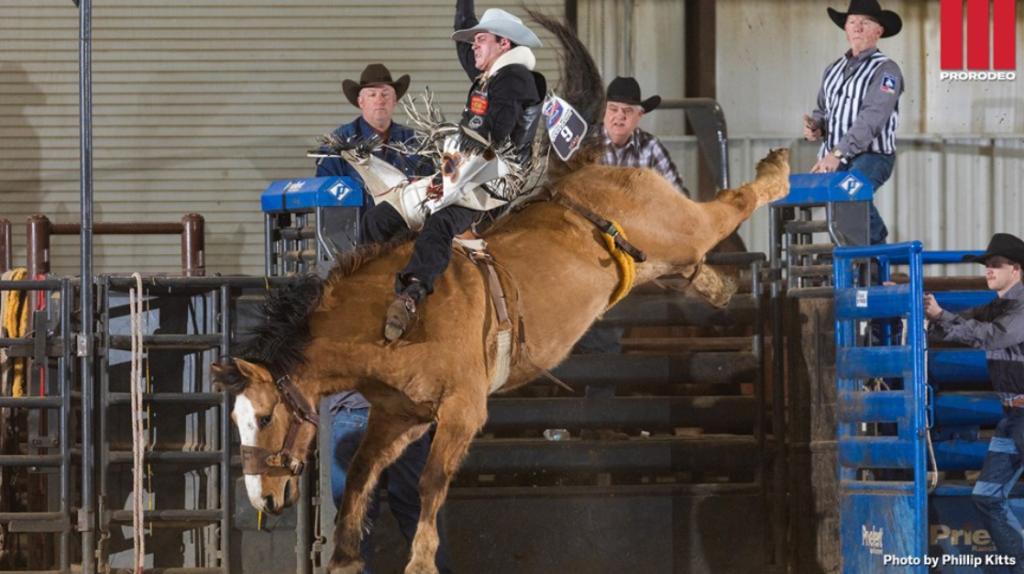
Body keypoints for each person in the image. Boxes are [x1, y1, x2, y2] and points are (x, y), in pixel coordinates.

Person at [315, 63, 452, 574]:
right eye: (372, 94)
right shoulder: (337, 148)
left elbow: (437, 191)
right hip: (364, 257)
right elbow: (331, 211)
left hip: (403, 261)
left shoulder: (417, 144)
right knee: (365, 497)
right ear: (360, 101)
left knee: (365, 495)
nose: (379, 101)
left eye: (385, 94)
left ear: (393, 100)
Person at [360, 0, 545, 341]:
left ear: (504, 43)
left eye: (481, 39)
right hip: (466, 169)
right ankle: (373, 284)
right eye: (474, 40)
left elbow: (496, 132)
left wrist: (461, 154)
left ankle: (412, 294)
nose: (473, 44)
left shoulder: (514, 78)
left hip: (493, 183)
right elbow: (465, 47)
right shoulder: (495, 74)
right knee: (378, 218)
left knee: (440, 222)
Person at [925, 233, 1024, 572]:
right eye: (987, 266)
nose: (989, 271)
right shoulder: (996, 306)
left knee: (990, 496)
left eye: (995, 265)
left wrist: (941, 316)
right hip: (1013, 416)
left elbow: (992, 336)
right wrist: (932, 316)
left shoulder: (1020, 309)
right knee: (987, 496)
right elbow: (963, 322)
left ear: (1016, 269)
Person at [803, 0, 904, 246]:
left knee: (850, 196)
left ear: (878, 31)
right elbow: (824, 110)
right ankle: (853, 262)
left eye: (865, 22)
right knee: (838, 207)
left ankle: (877, 246)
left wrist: (837, 152)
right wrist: (818, 126)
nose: (857, 27)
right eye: (852, 22)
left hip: (872, 155)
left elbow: (872, 118)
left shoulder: (886, 70)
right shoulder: (833, 70)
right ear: (846, 29)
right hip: (835, 156)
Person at [599, 76, 688, 196]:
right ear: (603, 111)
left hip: (639, 214)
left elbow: (678, 195)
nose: (620, 116)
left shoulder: (651, 147)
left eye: (628, 110)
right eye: (613, 109)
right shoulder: (585, 143)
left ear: (639, 115)